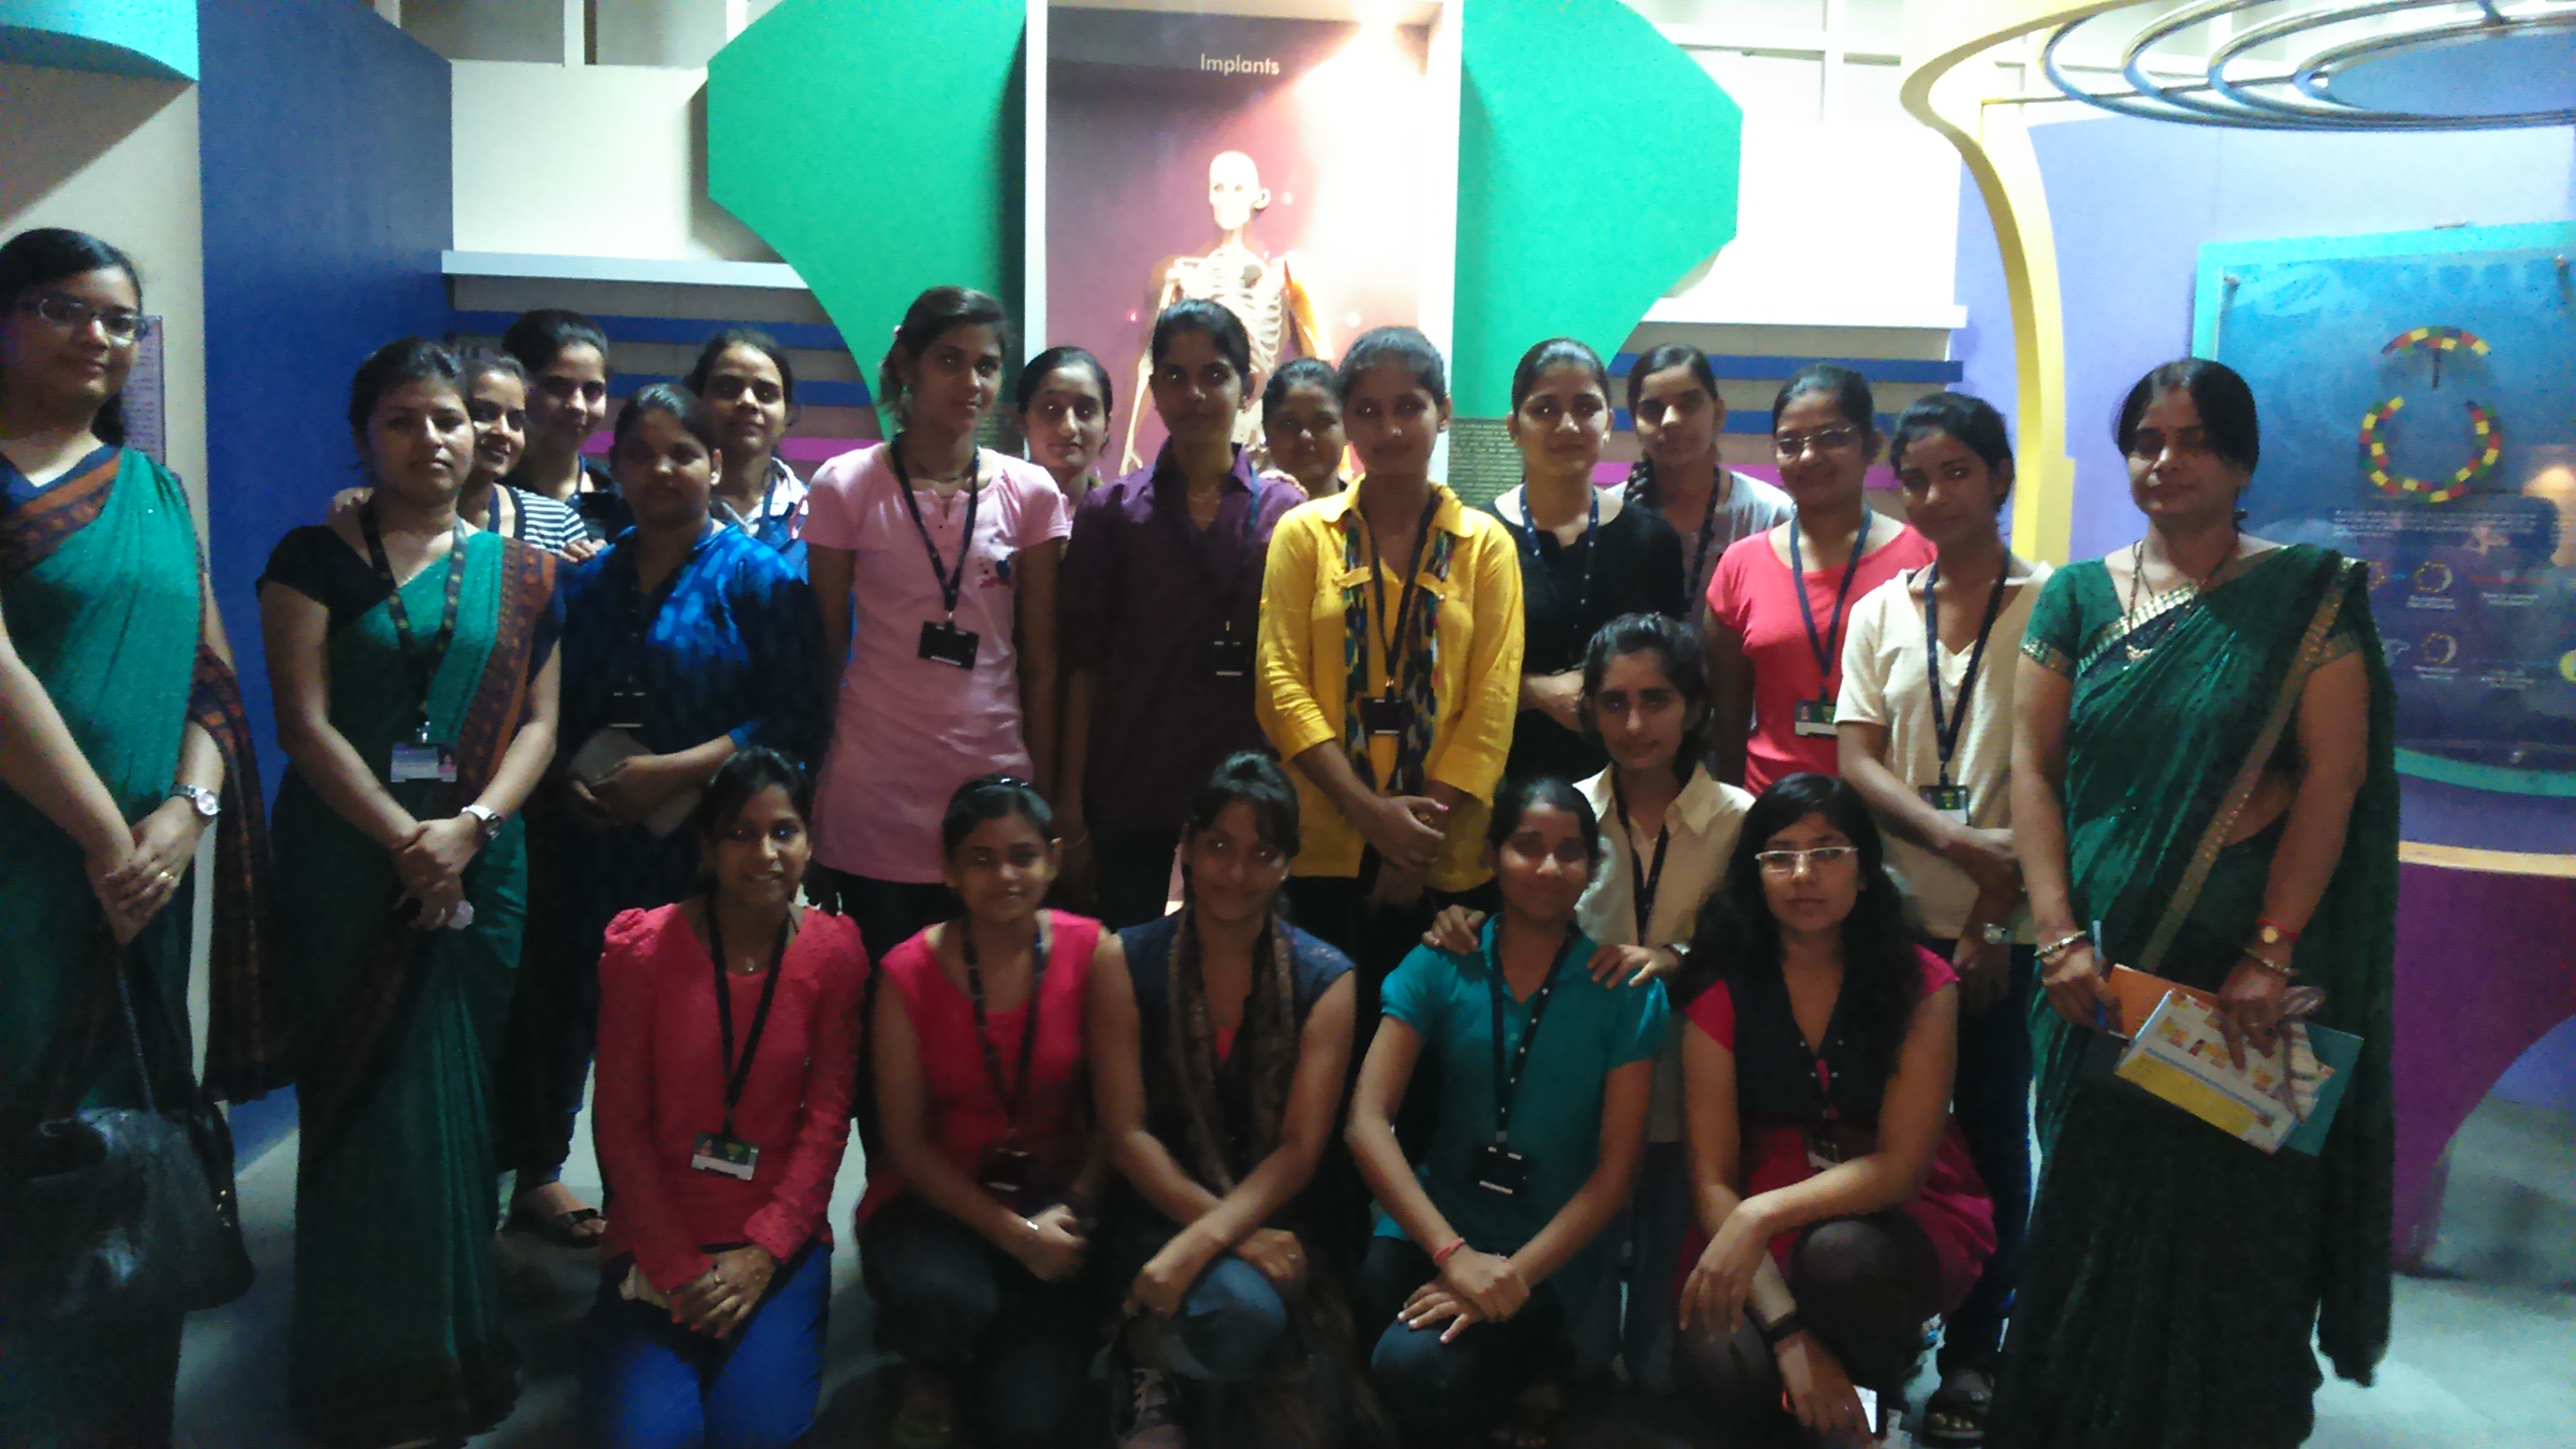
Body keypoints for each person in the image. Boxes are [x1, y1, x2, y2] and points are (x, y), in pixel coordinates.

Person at [1991, 359, 2396, 1449]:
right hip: (2098, 973)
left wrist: (2270, 950)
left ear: (2243, 461)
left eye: (2195, 440)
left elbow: (2333, 778)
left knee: (2233, 1221)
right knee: (2089, 1208)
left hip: (2237, 978)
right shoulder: (2075, 597)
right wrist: (2056, 936)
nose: (2165, 460)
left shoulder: (2305, 598)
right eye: (2145, 441)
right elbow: (2032, 770)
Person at [261, 336, 564, 1446]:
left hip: (482, 859)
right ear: (364, 436)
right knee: (365, 1103)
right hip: (351, 861)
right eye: (403, 420)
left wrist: (469, 829)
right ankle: (359, 1363)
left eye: (448, 419)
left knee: (459, 1103)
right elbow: (303, 722)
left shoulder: (526, 572)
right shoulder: (312, 558)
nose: (431, 439)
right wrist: (404, 838)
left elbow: (541, 724)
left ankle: (458, 1343)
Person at [0, 227, 275, 1448]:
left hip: (147, 887)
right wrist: (107, 836)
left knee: (134, 1148)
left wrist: (185, 812)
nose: (101, 337)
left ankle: (123, 1414)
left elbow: (212, 677)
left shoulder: (156, 492)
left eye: (120, 319)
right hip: (26, 880)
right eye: (67, 309)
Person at [1422, 611, 1754, 1397]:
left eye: (1656, 700)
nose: (1634, 724)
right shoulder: (1562, 816)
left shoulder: (1740, 822)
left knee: (1660, 1368)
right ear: (1588, 713)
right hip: (1576, 1109)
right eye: (1614, 703)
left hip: (1691, 1107)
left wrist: (1676, 960)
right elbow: (1515, 923)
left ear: (1695, 708)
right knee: (1581, 1348)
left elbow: (1762, 956)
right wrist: (1458, 923)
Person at [521, 383, 824, 1242]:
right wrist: (563, 782)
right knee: (578, 1015)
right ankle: (556, 1184)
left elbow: (797, 717)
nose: (662, 469)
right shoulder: (585, 582)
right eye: (641, 453)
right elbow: (544, 708)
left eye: (683, 452)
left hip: (705, 854)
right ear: (614, 467)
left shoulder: (760, 579)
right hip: (588, 844)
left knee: (693, 1036)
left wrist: (674, 773)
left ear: (715, 464)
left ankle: (693, 1213)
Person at [1832, 392, 2047, 1445]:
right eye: (1912, 479)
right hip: (1893, 925)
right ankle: (1888, 1329)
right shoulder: (1882, 609)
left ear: (1999, 476)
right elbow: (1856, 758)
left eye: (1955, 472)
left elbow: (2056, 773)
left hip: (2005, 931)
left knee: (1995, 1136)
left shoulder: (2053, 606)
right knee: (1885, 1132)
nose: (1931, 496)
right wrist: (1956, 843)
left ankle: (1975, 1353)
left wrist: (1994, 911)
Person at [1672, 773, 1993, 1449]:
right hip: (1757, 1197)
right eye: (1780, 855)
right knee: (1722, 1365)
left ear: (1866, 869)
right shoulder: (1721, 986)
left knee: (1843, 1262)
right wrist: (1790, 1336)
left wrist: (1759, 1216)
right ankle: (1813, 1403)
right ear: (1755, 874)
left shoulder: (1920, 983)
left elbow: (1901, 1170)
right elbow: (1713, 1181)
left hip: (1889, 1212)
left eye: (1827, 852)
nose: (1803, 875)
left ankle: (1874, 1398)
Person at [1346, 776, 1665, 1448]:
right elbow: (1366, 1121)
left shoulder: (1624, 992)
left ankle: (1529, 1373)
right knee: (1373, 1312)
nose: (1548, 868)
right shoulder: (1443, 959)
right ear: (1490, 857)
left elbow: (1615, 1175)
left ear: (1591, 869)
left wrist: (1508, 1276)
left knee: (1413, 1373)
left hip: (1546, 1249)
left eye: (1570, 852)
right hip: (1436, 1223)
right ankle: (1512, 1388)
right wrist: (1453, 1255)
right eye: (1527, 846)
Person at [583, 749, 865, 1449]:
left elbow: (828, 1119)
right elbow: (618, 1122)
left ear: (809, 843)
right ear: (707, 848)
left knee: (757, 1436)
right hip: (657, 1230)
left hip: (774, 1236)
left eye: (784, 831)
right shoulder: (644, 951)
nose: (765, 854)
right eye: (740, 833)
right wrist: (674, 1264)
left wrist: (765, 1251)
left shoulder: (833, 954)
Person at [1089, 753, 1364, 1445]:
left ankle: (1174, 1363)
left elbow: (1300, 1148)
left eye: (1261, 854)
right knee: (1245, 1318)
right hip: (1158, 1212)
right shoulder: (1124, 958)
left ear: (1287, 863)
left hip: (1281, 1218)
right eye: (1217, 846)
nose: (1236, 873)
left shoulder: (1327, 978)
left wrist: (1216, 1241)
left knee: (1311, 1410)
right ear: (1185, 846)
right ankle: (1143, 1353)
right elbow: (1127, 1134)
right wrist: (1224, 1236)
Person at [805, 286, 1068, 963]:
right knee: (884, 998)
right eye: (951, 360)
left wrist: (1044, 796)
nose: (971, 382)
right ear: (907, 365)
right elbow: (825, 651)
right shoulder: (845, 485)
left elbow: (1041, 662)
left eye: (987, 365)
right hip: (874, 795)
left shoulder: (1032, 493)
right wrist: (815, 796)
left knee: (988, 1000)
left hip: (995, 792)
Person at [1254, 325, 1524, 978]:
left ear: (1443, 411)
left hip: (1447, 857)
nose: (1390, 429)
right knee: (1328, 1030)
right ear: (1347, 420)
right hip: (1324, 846)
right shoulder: (1304, 534)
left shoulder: (1485, 545)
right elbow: (1278, 683)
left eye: (1409, 406)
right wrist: (1369, 814)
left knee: (1432, 1038)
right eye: (1368, 410)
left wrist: (1414, 843)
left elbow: (1492, 706)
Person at [860, 776, 1115, 1449]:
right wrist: (1017, 1236)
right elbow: (905, 1146)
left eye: (1023, 856)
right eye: (981, 859)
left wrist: (1074, 1211)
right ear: (948, 871)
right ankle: (931, 1360)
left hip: (1055, 1202)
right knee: (942, 1303)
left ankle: (1001, 1341)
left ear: (1052, 860)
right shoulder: (906, 973)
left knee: (1023, 1422)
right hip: (933, 1203)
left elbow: (1121, 1119)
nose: (1005, 876)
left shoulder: (1095, 950)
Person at [1060, 300, 1304, 929]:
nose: (1194, 394)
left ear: (1248, 386)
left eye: (1214, 375)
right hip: (1131, 780)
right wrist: (1071, 811)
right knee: (1127, 960)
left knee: (1235, 959)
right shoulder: (1112, 513)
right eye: (1174, 376)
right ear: (1155, 386)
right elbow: (1082, 668)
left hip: (1248, 788)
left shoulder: (1287, 515)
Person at [1705, 364, 1934, 793]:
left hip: (1889, 811)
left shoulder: (1923, 558)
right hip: (1771, 804)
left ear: (1872, 445)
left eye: (1831, 438)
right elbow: (1728, 718)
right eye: (1790, 444)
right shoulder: (1741, 565)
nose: (1809, 457)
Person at [1488, 338, 1686, 783]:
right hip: (1499, 785)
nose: (1567, 425)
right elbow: (1447, 674)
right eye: (1544, 409)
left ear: (1608, 423)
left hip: (1624, 784)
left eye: (1585, 407)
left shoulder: (1652, 539)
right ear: (1514, 427)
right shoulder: (1476, 536)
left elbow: (1671, 676)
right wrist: (1536, 691)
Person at [1622, 343, 1791, 614]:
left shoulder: (1770, 516)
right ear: (1635, 423)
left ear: (1718, 414)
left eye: (1688, 404)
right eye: (1652, 409)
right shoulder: (1609, 517)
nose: (1670, 421)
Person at [687, 327, 810, 573]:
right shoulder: (666, 506)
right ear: (696, 402)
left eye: (766, 394)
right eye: (727, 389)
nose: (748, 402)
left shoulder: (818, 515)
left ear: (787, 414)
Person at [500, 307, 617, 553]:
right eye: (557, 387)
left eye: (592, 391)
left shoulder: (621, 498)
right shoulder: (483, 494)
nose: (577, 406)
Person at [1017, 344, 1115, 510]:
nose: (1069, 427)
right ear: (1022, 421)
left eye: (1085, 410)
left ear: (1106, 425)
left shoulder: (1122, 517)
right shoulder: (995, 513)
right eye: (1051, 409)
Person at [1260, 355, 1347, 500]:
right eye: (1288, 424)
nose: (1305, 437)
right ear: (1266, 432)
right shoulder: (1246, 512)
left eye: (1322, 422)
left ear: (1348, 428)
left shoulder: (1375, 511)